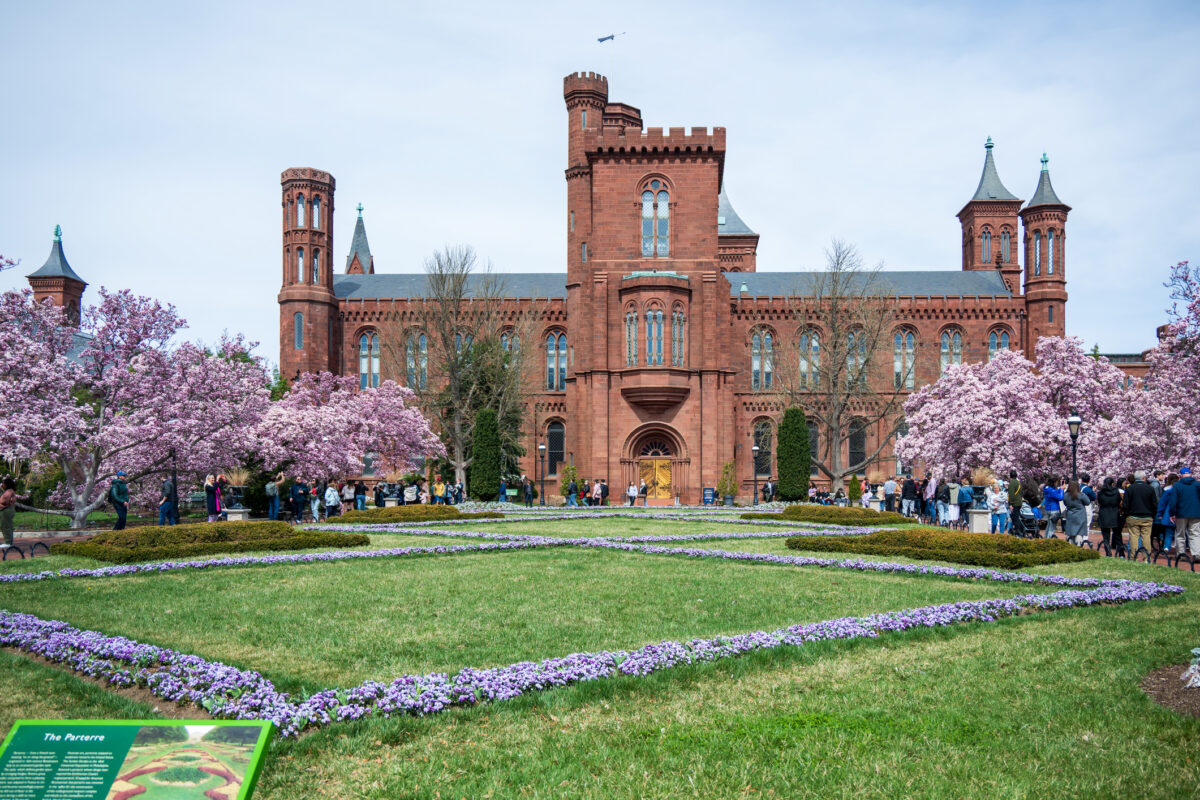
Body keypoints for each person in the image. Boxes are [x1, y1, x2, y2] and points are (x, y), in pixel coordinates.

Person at [1122, 470, 1158, 558]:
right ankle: (1146, 557)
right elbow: (1155, 504)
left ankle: (1134, 556)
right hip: (1147, 516)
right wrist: (1152, 514)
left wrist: (1127, 514)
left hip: (1133, 516)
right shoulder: (1150, 488)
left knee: (1134, 536)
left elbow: (1125, 504)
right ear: (1144, 478)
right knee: (1146, 537)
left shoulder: (1130, 488)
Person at [1168, 466, 1200, 559]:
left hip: (1181, 513)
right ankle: (1196, 553)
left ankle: (1181, 554)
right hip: (1196, 512)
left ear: (1181, 476)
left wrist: (1172, 513)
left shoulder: (1177, 485)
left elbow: (1173, 500)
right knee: (1195, 534)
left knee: (1180, 534)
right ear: (1190, 474)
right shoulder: (1198, 484)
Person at [1095, 478, 1122, 555]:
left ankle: (1108, 552)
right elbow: (1118, 501)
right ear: (1112, 484)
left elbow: (1100, 502)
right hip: (1114, 514)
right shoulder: (1116, 492)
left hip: (1104, 514)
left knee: (1106, 536)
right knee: (1117, 535)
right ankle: (1120, 553)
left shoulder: (1100, 493)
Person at [1155, 473, 1179, 553]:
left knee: (1169, 533)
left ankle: (1166, 547)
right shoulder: (1182, 492)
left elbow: (1162, 503)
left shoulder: (1168, 492)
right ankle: (1180, 549)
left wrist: (1160, 513)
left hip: (1169, 515)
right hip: (1181, 514)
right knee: (1181, 534)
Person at [1062, 480, 1091, 546]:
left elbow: (1065, 503)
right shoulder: (1081, 495)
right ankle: (1079, 546)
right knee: (1079, 532)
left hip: (1070, 515)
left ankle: (1071, 546)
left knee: (1071, 532)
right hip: (1080, 515)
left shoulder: (1066, 495)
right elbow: (1088, 502)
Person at [0, 477, 18, 548]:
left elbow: (4, 501)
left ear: (7, 484)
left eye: (3, 484)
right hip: (7, 510)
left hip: (6, 510)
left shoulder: (9, 492)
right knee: (7, 526)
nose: (2, 485)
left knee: (6, 526)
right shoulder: (9, 491)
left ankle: (7, 542)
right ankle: (9, 542)